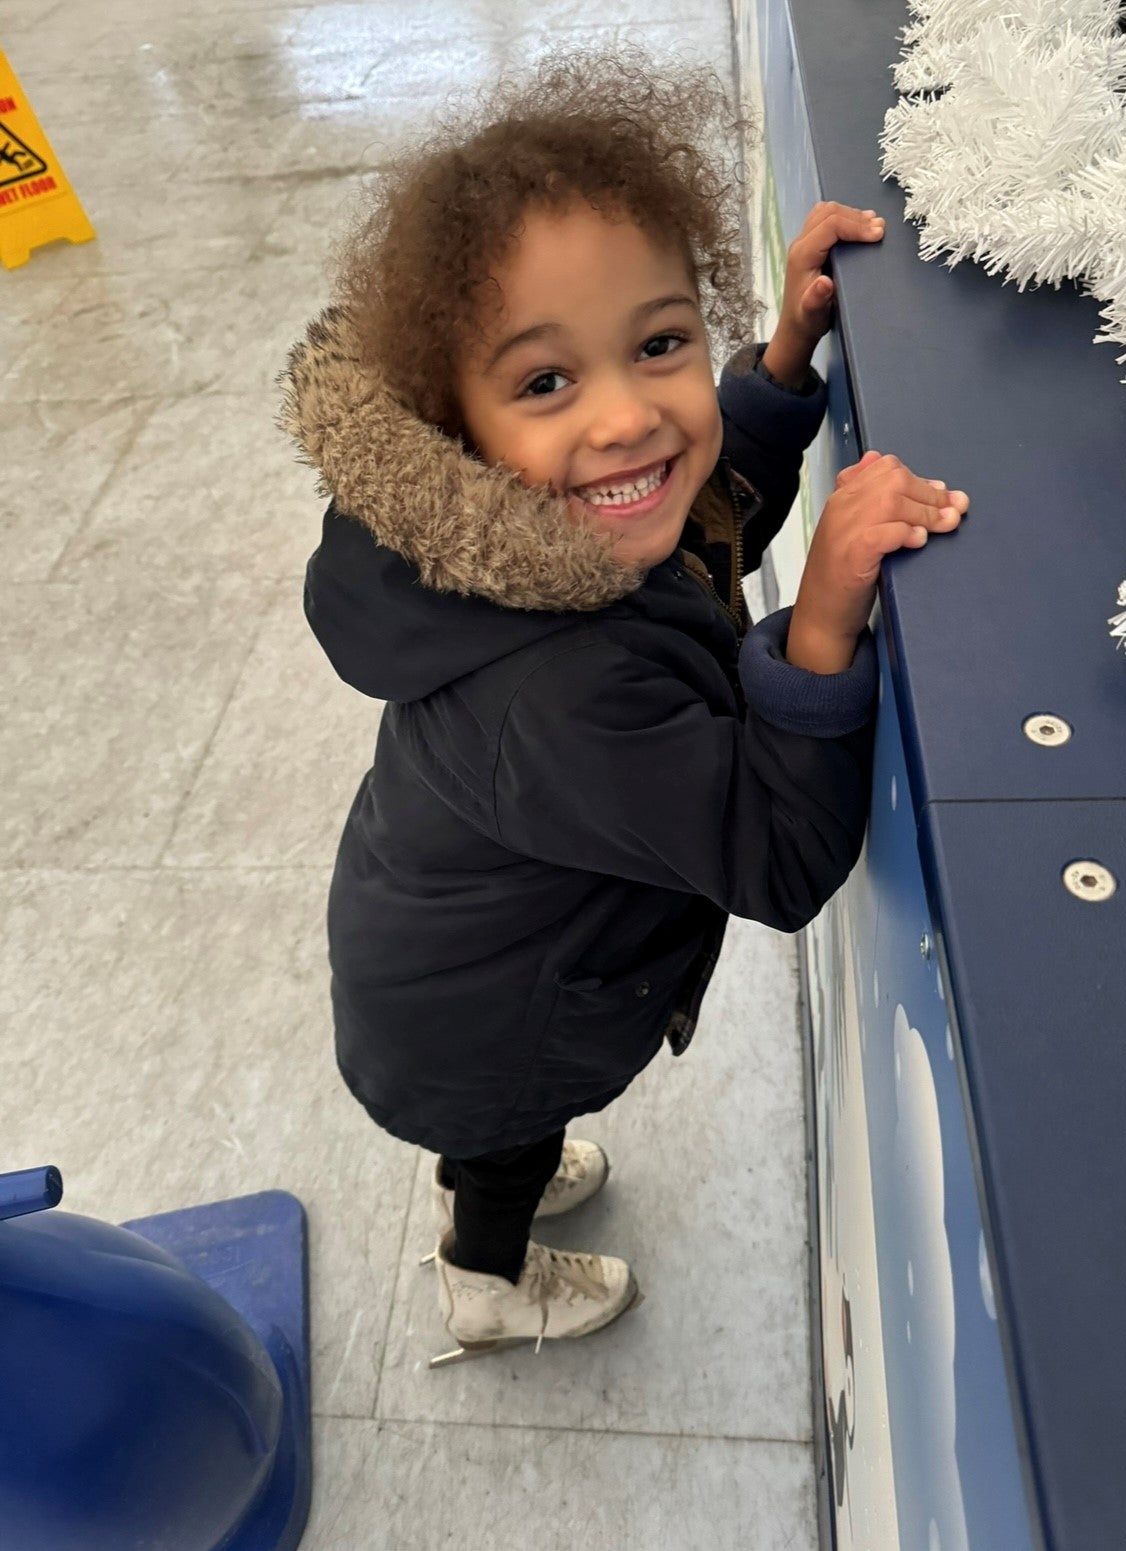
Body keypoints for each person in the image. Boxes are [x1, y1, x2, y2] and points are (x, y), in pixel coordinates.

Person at [278, 51, 968, 1367]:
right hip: (488, 1023)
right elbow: (773, 854)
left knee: (498, 1134)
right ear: (452, 426)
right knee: (503, 1136)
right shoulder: (558, 694)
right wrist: (820, 624)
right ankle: (485, 1275)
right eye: (546, 383)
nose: (628, 418)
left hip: (452, 962)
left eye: (660, 344)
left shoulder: (548, 541)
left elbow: (694, 522)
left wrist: (777, 364)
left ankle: (490, 1170)